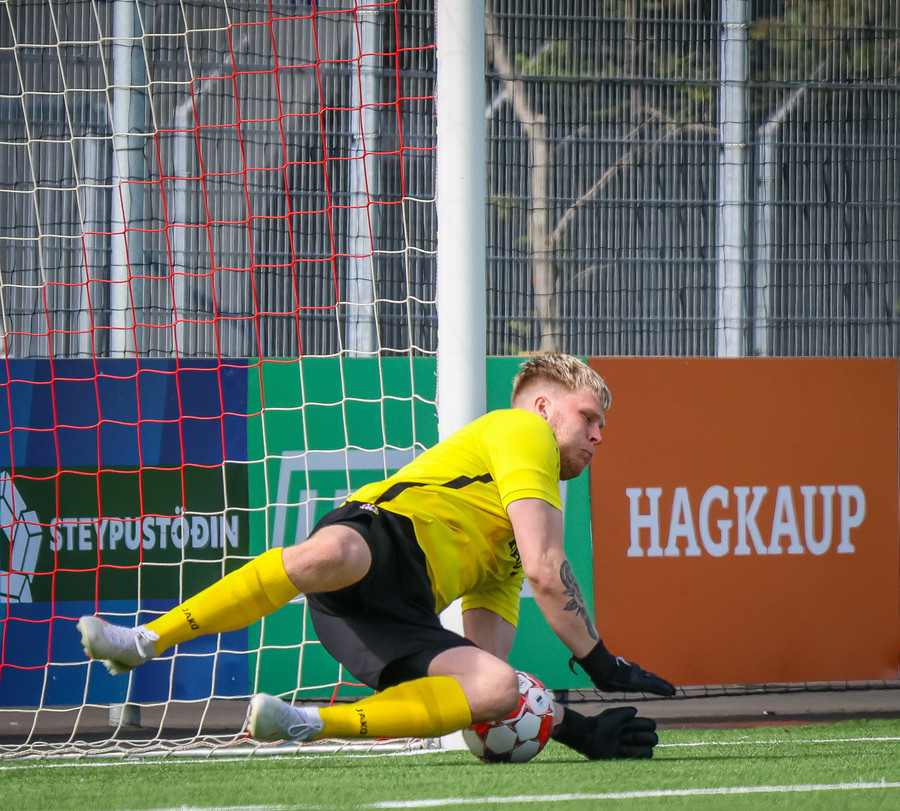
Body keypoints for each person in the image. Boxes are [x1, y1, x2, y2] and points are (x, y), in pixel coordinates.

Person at [78, 353, 673, 760]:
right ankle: (144, 641)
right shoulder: (523, 431)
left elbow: (487, 665)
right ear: (542, 409)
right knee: (335, 550)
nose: (599, 435)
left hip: (393, 618)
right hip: (382, 538)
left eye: (602, 426)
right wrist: (603, 665)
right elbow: (548, 571)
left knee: (494, 687)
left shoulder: (521, 528)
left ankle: (308, 723)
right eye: (588, 418)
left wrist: (572, 729)